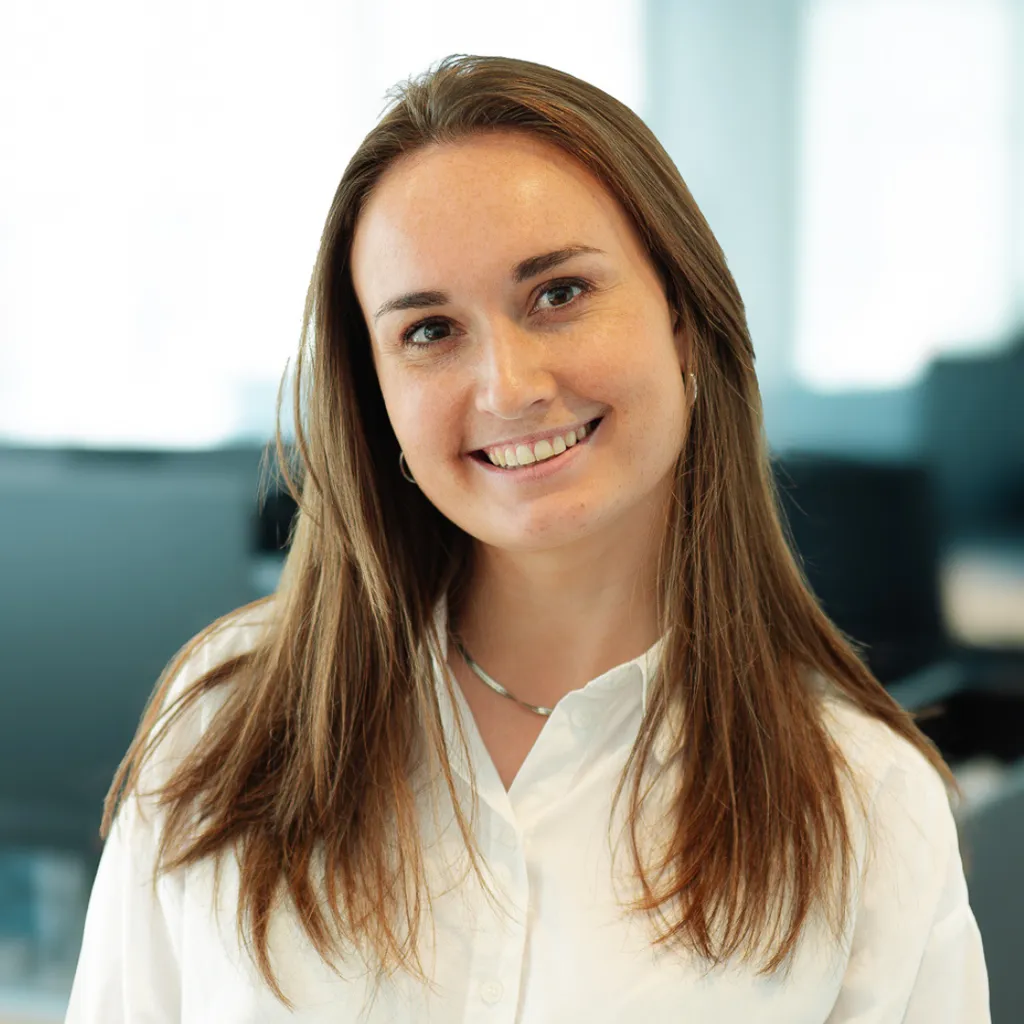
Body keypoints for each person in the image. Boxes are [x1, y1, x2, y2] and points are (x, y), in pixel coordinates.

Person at [65, 55, 990, 1022]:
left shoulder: (865, 806)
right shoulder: (225, 728)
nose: (509, 388)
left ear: (684, 318)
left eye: (558, 294)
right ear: (374, 395)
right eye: (428, 330)